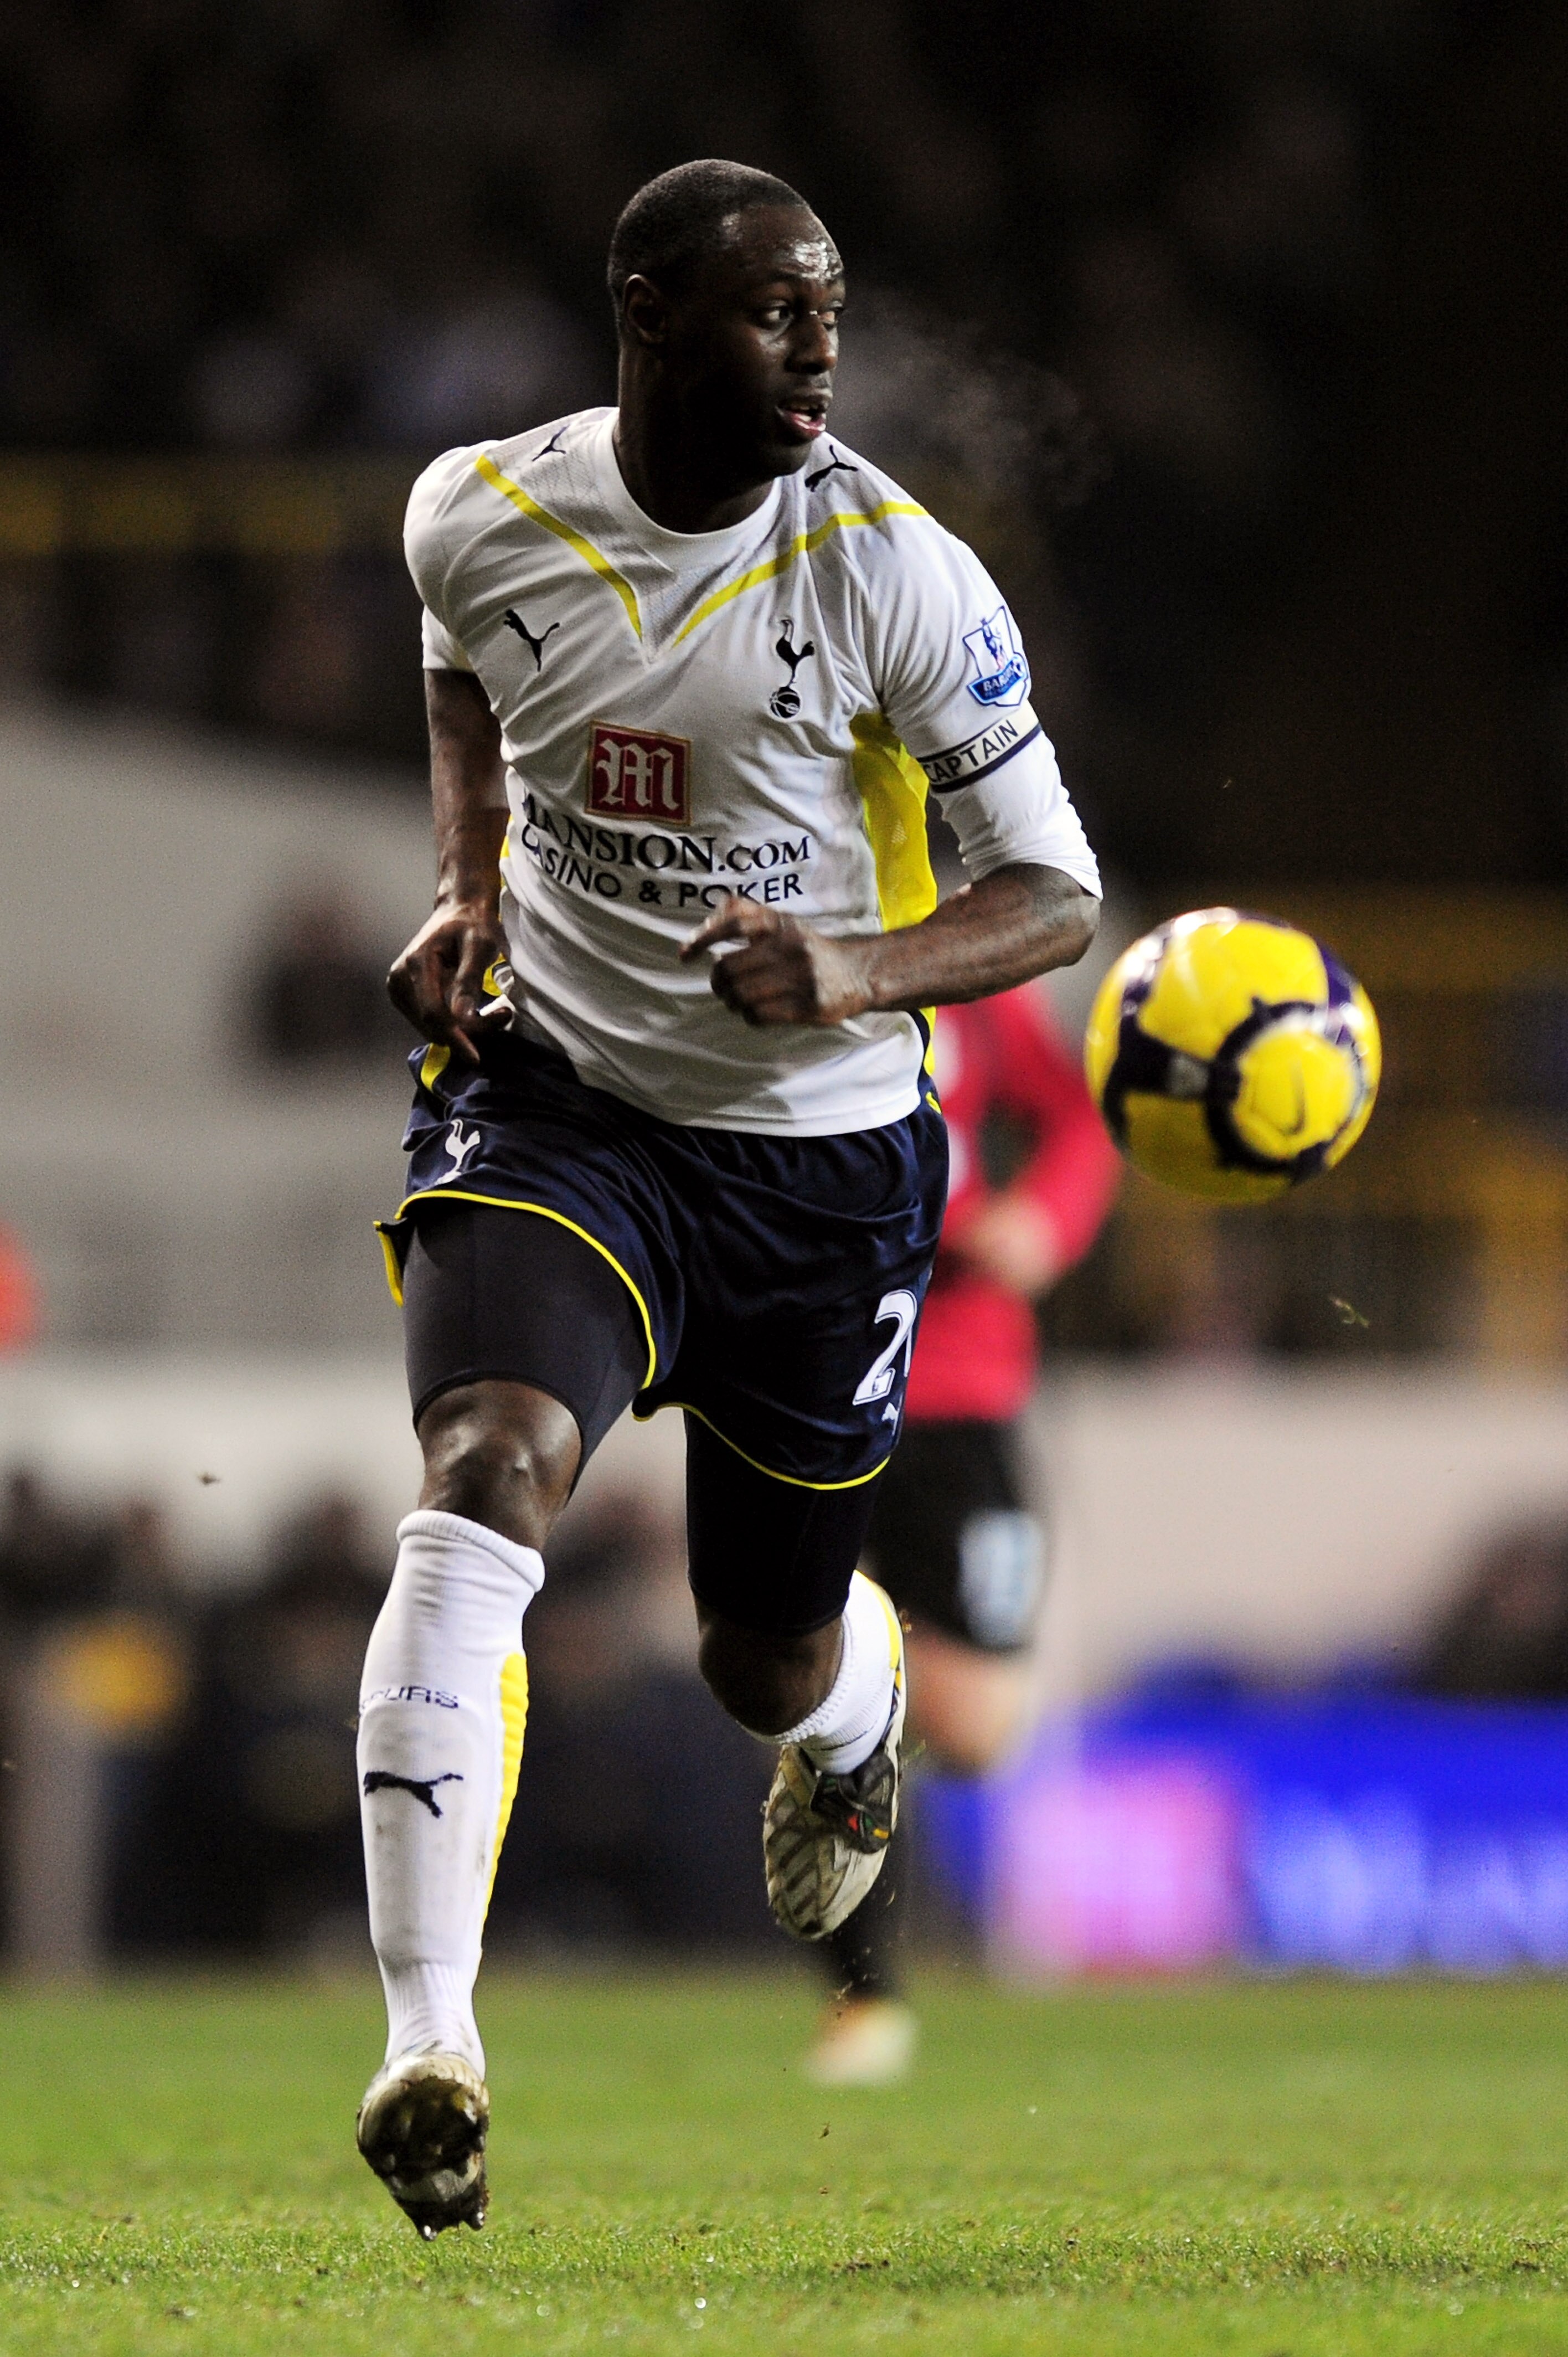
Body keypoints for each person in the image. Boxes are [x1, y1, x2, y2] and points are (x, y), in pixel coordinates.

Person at [354, 158, 1101, 2237]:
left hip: (824, 1166)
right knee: (484, 1472)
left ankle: (851, 1712)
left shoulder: (898, 570)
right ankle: (434, 2042)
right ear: (651, 309)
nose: (819, 352)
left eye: (835, 317)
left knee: (755, 1655)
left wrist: (855, 965)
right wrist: (467, 883)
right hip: (563, 1113)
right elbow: (457, 675)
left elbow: (1056, 893)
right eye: (778, 313)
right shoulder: (476, 508)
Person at [804, 981, 1121, 2085]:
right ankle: (866, 1997)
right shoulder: (766, 958)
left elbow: (1084, 1117)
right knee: (802, 1674)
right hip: (814, 1374)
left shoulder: (978, 975)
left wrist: (1048, 1218)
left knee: (976, 1729)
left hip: (967, 1387)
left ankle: (850, 1715)